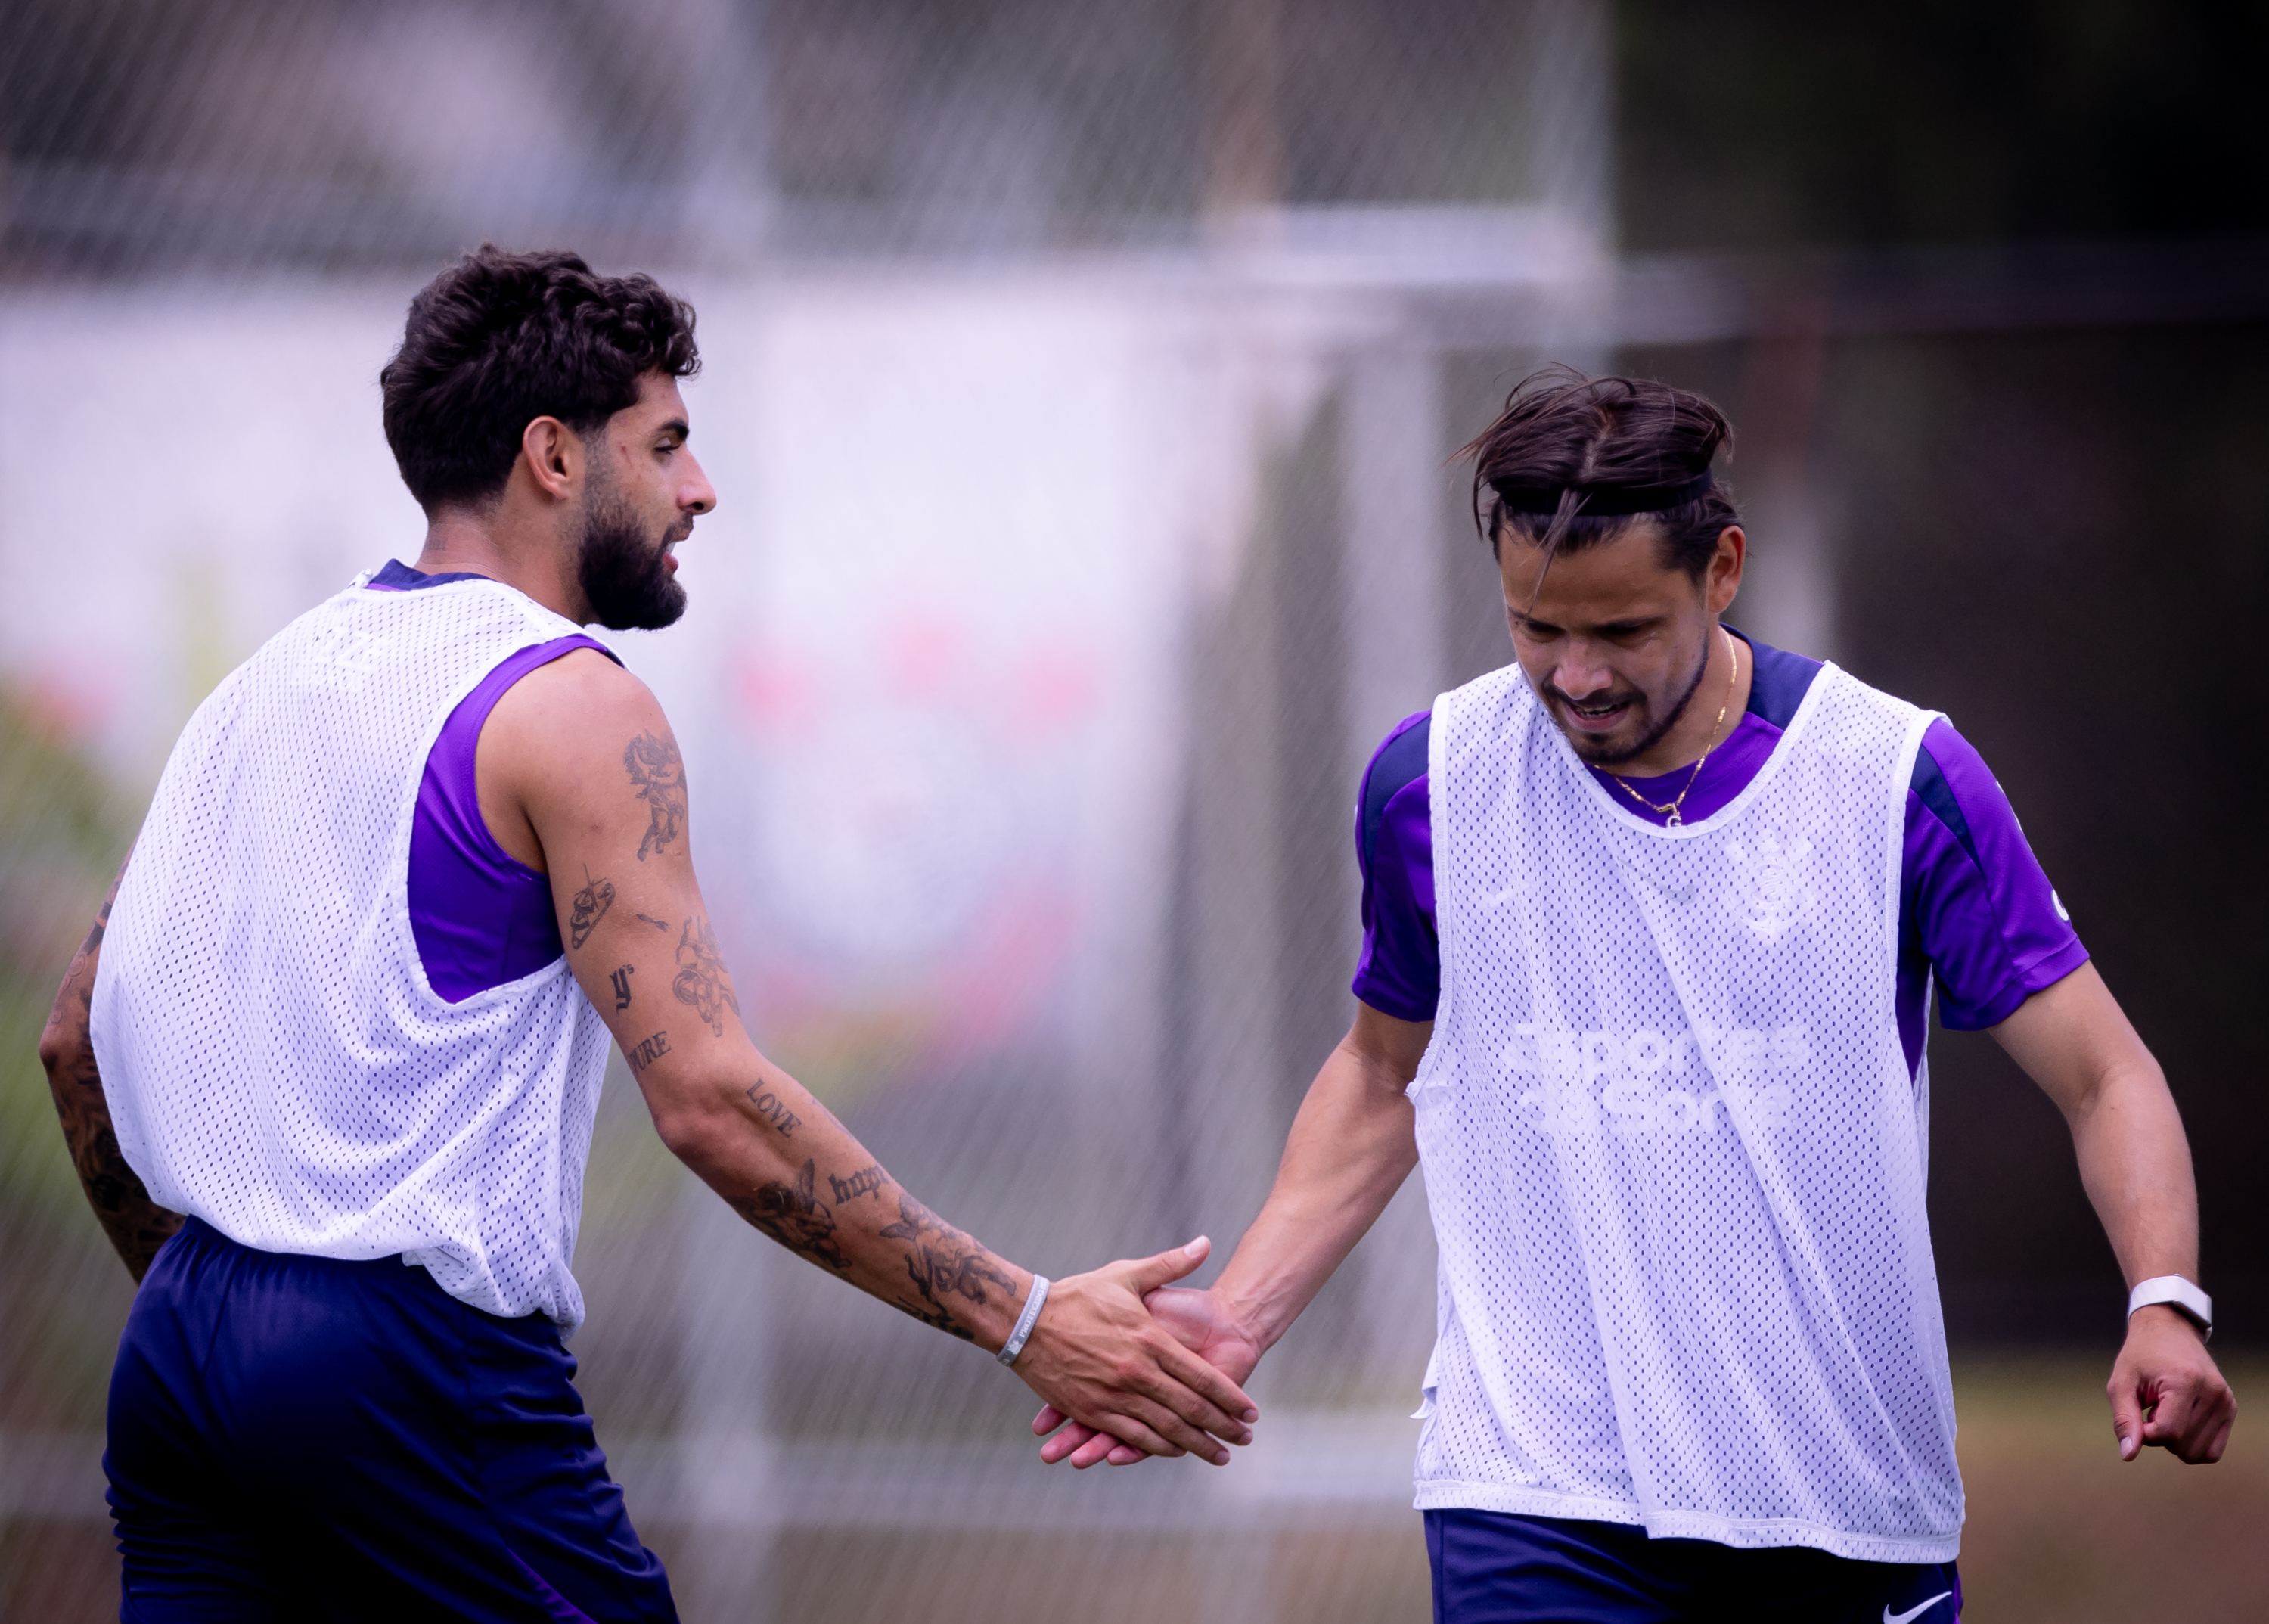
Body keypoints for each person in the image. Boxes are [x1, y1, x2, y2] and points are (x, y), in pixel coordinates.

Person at [38, 245, 1257, 1622]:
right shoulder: (570, 704)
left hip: (183, 1355)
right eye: (665, 443)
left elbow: (74, 1038)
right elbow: (713, 1101)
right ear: (554, 457)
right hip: (402, 1361)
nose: (699, 488)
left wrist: (222, 1315)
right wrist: (1025, 1319)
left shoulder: (258, 692)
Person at [1033, 368, 2235, 1622]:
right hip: (1536, 1492)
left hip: (1838, 1498)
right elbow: (1388, 1072)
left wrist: (2165, 1302)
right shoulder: (1432, 787)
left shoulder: (1893, 780)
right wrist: (1240, 1316)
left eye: (1620, 633)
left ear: (1723, 570)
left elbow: (2106, 1076)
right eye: (1535, 629)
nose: (1575, 675)